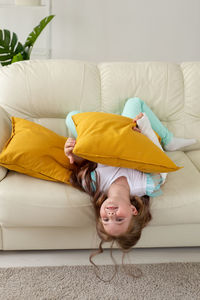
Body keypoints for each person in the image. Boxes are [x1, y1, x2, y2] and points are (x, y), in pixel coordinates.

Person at [64, 97, 196, 259]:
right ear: (133, 210)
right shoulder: (147, 184)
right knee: (134, 103)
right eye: (119, 219)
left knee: (72, 117)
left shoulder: (92, 183)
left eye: (105, 219)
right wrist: (144, 132)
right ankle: (168, 140)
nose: (111, 215)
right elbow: (158, 156)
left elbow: (84, 159)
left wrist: (72, 152)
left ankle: (114, 120)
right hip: (130, 134)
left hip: (105, 136)